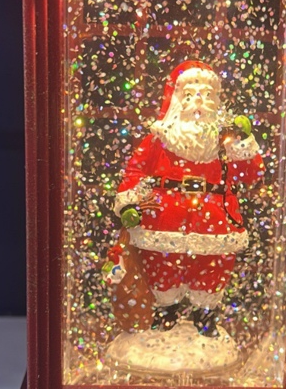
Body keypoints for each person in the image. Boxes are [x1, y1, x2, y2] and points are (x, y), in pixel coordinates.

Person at [112, 60, 264, 337]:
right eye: (191, 94)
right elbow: (135, 170)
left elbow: (251, 174)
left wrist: (244, 139)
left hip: (215, 220)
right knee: (162, 266)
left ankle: (205, 318)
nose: (199, 102)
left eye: (207, 94)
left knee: (212, 267)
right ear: (176, 99)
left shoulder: (226, 141)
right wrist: (128, 204)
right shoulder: (159, 139)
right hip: (164, 219)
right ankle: (165, 316)